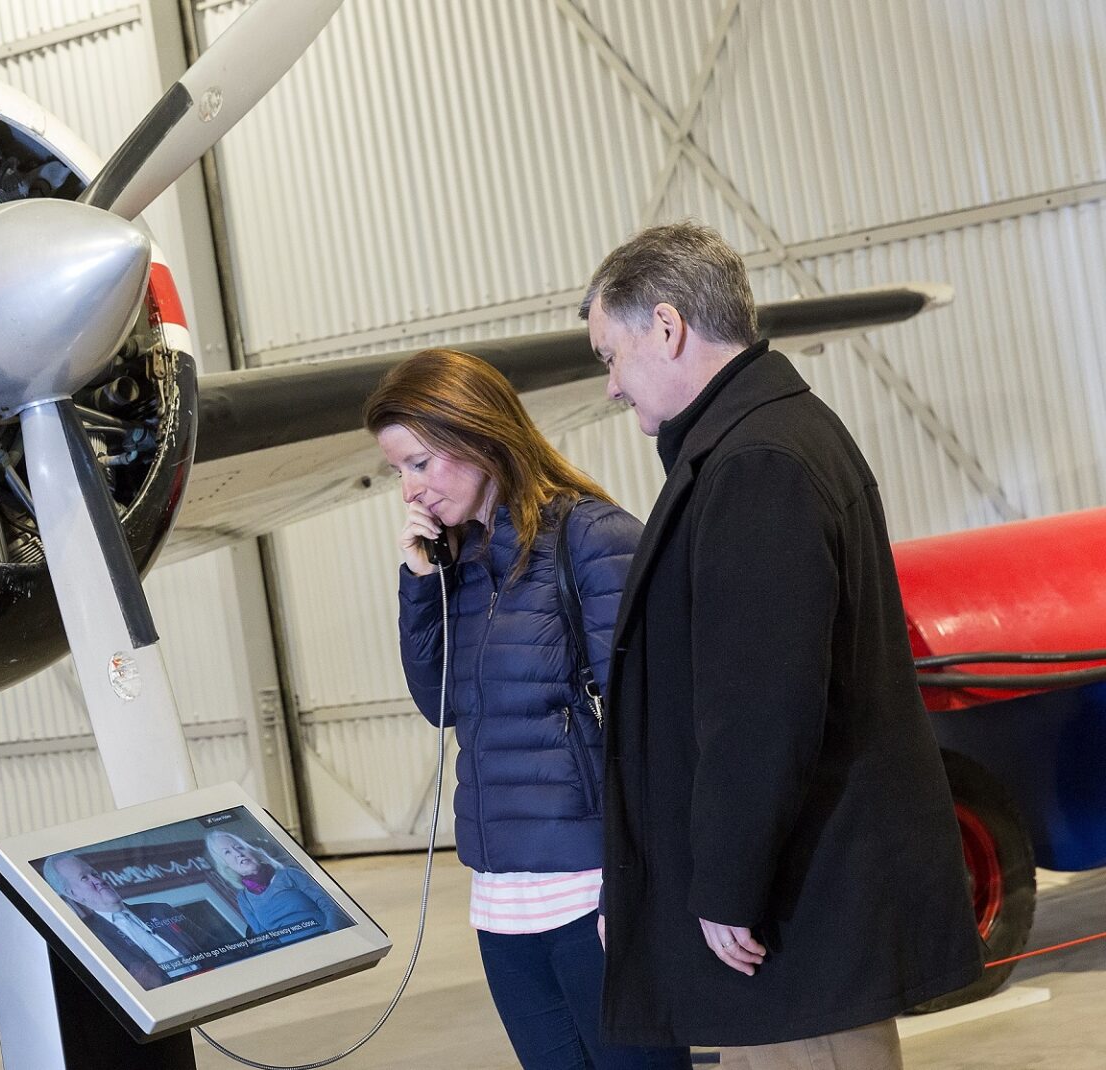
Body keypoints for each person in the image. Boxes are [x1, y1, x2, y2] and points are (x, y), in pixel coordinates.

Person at [580, 221, 982, 1066]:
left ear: (666, 327)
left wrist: (728, 883)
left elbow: (762, 705)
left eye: (609, 356)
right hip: (795, 903)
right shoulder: (758, 442)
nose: (611, 387)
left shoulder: (757, 463)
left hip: (798, 912)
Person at [366, 350, 687, 1070]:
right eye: (398, 471)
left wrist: (631, 889)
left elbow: (656, 727)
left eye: (419, 463)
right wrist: (421, 582)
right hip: (501, 903)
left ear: (476, 436)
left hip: (589, 894)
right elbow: (441, 702)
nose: (410, 490)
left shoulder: (590, 540)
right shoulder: (459, 560)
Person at [43, 853, 241, 990]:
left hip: (214, 983)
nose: (98, 880)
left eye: (94, 873)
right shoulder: (88, 938)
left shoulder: (159, 909)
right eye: (84, 878)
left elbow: (215, 947)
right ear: (73, 894)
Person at [204, 829, 349, 944]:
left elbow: (331, 905)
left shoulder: (290, 874)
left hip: (329, 939)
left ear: (250, 850)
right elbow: (265, 939)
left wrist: (330, 938)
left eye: (239, 847)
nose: (237, 853)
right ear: (226, 866)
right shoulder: (244, 899)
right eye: (227, 852)